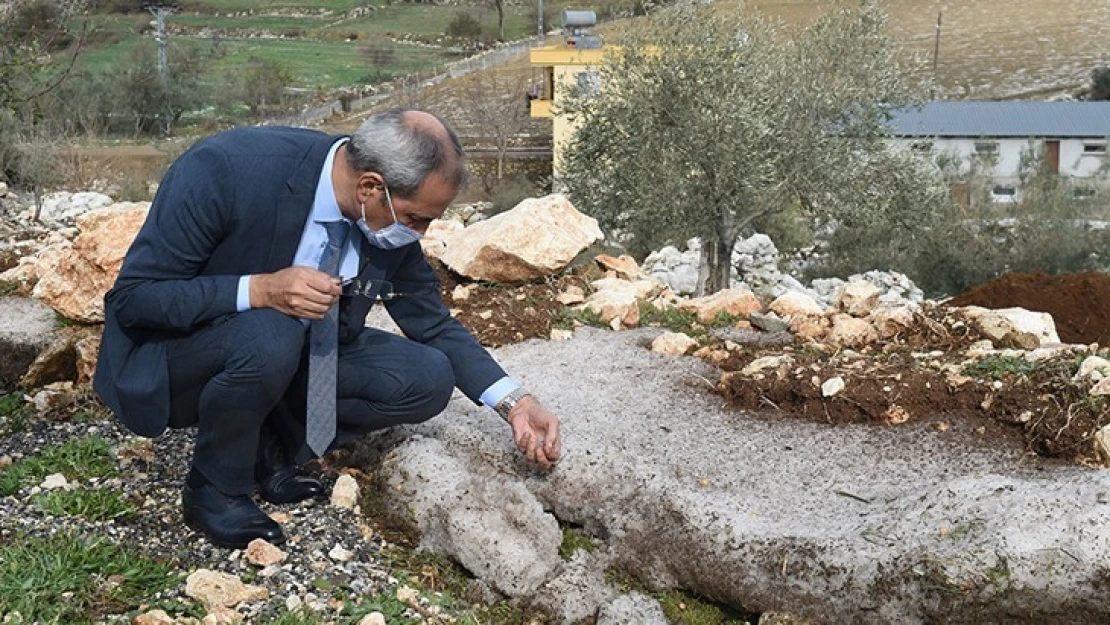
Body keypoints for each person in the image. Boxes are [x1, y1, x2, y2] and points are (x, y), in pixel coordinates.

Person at [94, 109, 563, 549]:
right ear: (370, 187)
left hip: (279, 354)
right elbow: (135, 299)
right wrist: (258, 290)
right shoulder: (226, 170)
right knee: (270, 335)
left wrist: (514, 402)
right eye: (419, 218)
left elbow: (432, 322)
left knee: (428, 377)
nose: (421, 233)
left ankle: (268, 444)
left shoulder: (387, 219)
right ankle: (213, 490)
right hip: (179, 355)